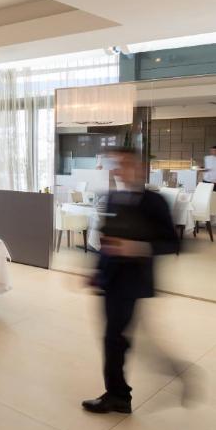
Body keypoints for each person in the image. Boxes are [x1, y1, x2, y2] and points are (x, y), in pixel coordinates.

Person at [82, 147, 180, 414]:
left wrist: (137, 248)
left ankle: (118, 395)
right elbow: (107, 241)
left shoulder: (154, 202)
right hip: (110, 279)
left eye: (124, 164)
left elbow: (172, 243)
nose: (118, 169)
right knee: (117, 338)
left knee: (114, 338)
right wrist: (96, 272)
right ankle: (122, 392)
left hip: (133, 281)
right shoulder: (112, 198)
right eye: (117, 164)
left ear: (139, 167)